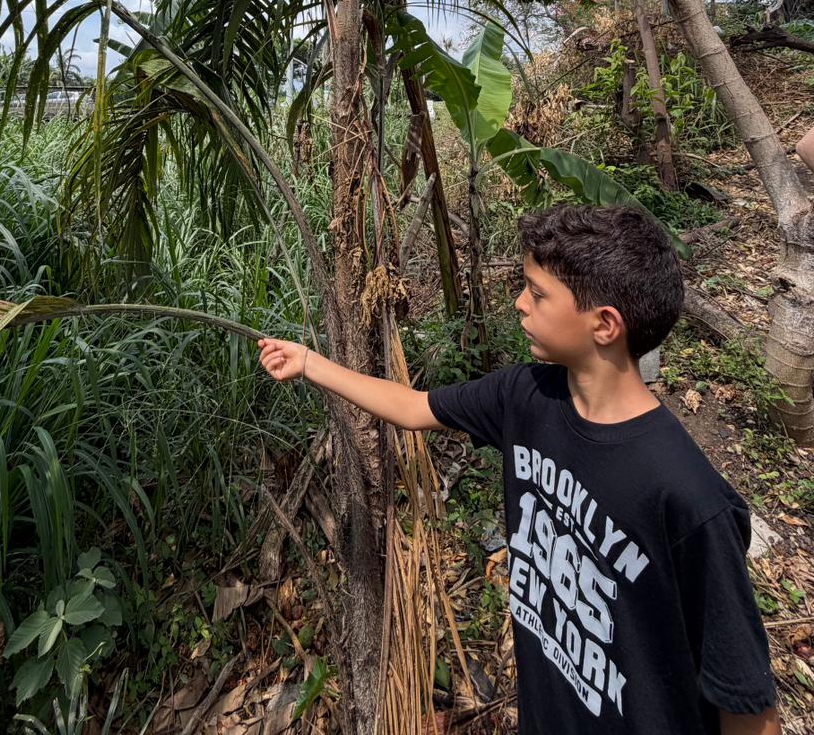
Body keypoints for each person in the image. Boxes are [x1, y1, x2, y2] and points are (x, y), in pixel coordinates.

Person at [258, 204, 781, 735]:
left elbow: (746, 703)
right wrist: (310, 363)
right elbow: (416, 407)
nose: (519, 303)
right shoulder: (525, 395)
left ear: (604, 325)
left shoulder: (689, 497)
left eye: (536, 292)